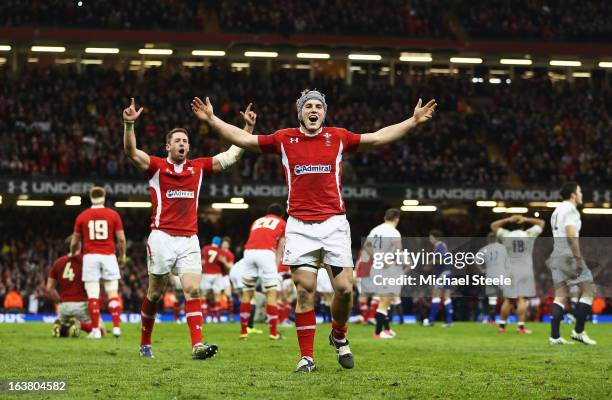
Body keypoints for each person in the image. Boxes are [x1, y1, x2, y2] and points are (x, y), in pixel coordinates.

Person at [191, 89, 436, 372]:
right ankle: (307, 357)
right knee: (305, 291)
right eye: (308, 105)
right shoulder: (285, 138)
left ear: (324, 112)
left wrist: (413, 121)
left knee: (344, 290)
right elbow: (245, 139)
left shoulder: (338, 136)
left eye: (318, 106)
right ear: (300, 112)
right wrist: (212, 119)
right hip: (299, 225)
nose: (313, 109)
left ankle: (339, 335)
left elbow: (378, 138)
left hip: (333, 224)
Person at [122, 97, 256, 359]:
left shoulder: (198, 168)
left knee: (193, 290)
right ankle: (145, 342)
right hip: (161, 237)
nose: (182, 144)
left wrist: (248, 130)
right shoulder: (157, 167)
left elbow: (230, 157)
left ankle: (197, 345)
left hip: (189, 240)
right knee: (155, 293)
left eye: (185, 141)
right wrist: (129, 125)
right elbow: (131, 153)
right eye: (178, 141)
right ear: (168, 146)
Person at [70, 186, 126, 339]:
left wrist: (73, 252)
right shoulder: (113, 214)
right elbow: (121, 239)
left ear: (90, 197)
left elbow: (75, 241)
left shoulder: (82, 216)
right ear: (104, 196)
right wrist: (123, 255)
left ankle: (95, 330)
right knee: (112, 292)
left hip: (90, 257)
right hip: (108, 255)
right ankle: (116, 328)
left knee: (93, 294)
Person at [547, 182, 597, 345]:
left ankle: (554, 337)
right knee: (589, 289)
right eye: (580, 191)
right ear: (573, 195)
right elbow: (571, 235)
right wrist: (578, 258)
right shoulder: (571, 210)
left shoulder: (556, 210)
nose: (582, 194)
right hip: (569, 256)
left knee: (561, 296)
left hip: (557, 255)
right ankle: (579, 331)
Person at [239, 204, 286, 340]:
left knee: (247, 292)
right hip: (266, 253)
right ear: (281, 215)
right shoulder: (282, 222)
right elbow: (280, 248)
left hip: (248, 252)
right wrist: (276, 267)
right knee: (271, 293)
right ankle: (273, 333)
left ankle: (243, 332)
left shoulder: (257, 221)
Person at [491, 214, 545, 334]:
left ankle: (502, 326)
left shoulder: (506, 235)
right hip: (525, 270)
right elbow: (541, 223)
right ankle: (520, 327)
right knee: (521, 299)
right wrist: (527, 218)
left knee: (509, 300)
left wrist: (508, 219)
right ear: (523, 226)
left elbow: (493, 226)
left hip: (510, 269)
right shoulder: (529, 234)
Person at [361, 208, 403, 339]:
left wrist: (377, 257)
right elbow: (398, 251)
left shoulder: (375, 230)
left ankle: (387, 329)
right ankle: (378, 333)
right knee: (385, 300)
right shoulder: (394, 232)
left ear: (385, 217)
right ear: (397, 219)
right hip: (387, 268)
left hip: (375, 268)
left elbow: (366, 246)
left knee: (385, 299)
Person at [47, 235, 100, 337]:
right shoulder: (86, 261)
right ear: (79, 244)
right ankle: (79, 324)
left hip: (63, 307)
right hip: (81, 305)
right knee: (100, 330)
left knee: (66, 332)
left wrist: (59, 301)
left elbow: (49, 288)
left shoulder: (58, 263)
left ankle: (62, 327)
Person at [423, 230, 453, 327]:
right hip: (448, 271)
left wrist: (431, 264)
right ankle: (449, 321)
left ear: (434, 237)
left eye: (430, 237)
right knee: (446, 297)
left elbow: (442, 259)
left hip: (442, 273)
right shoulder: (443, 245)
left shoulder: (439, 245)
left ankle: (431, 320)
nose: (429, 239)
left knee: (435, 295)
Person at [478, 232, 508, 324]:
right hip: (501, 274)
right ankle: (504, 319)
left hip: (490, 275)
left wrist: (482, 269)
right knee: (507, 297)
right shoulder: (503, 248)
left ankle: (492, 319)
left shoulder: (484, 249)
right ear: (497, 239)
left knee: (492, 298)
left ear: (488, 239)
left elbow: (476, 260)